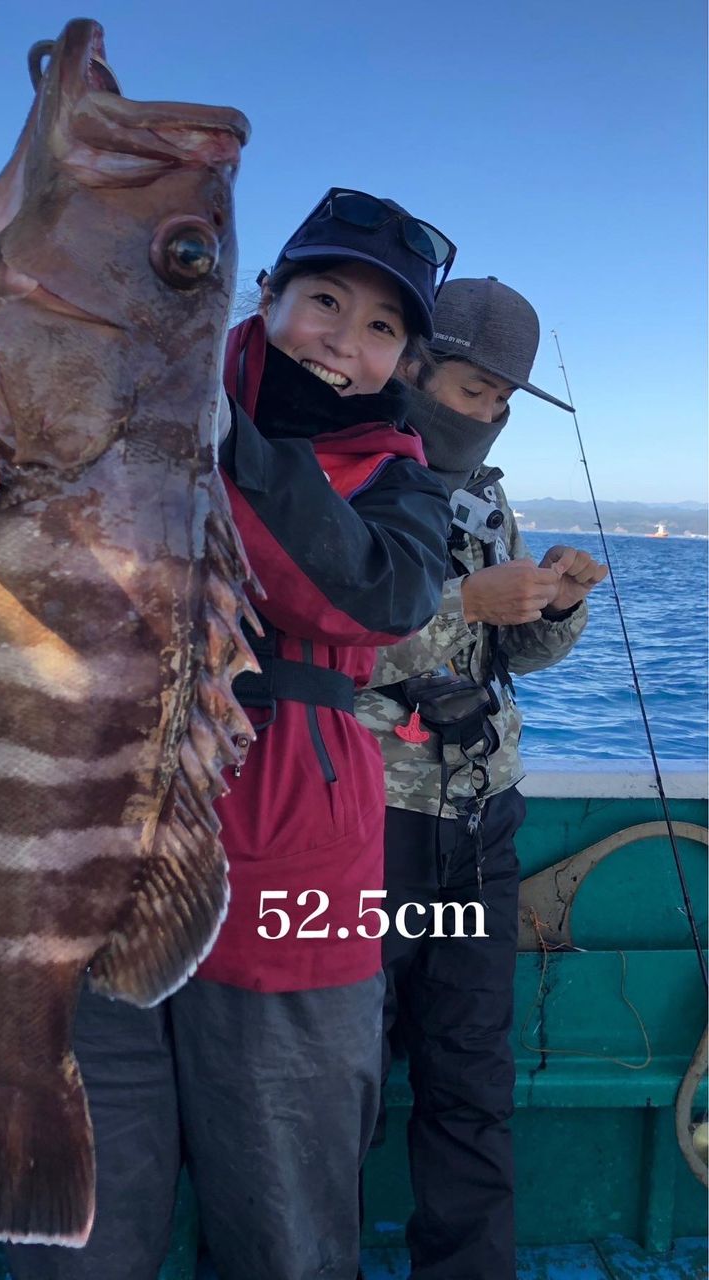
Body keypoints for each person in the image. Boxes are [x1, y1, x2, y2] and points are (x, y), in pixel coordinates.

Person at [6, 189, 454, 1280]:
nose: (346, 342)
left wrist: (226, 444)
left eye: (382, 326)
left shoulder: (406, 486)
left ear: (403, 360)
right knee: (81, 1213)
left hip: (296, 871)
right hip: (92, 835)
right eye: (324, 301)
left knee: (287, 1216)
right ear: (266, 296)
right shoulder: (136, 393)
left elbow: (369, 597)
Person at [356, 276, 608, 1280]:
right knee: (333, 1079)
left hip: (477, 822)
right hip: (358, 827)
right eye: (472, 389)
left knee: (471, 1073)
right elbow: (296, 645)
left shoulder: (485, 497)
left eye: (502, 400)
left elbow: (509, 657)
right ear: (413, 366)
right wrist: (466, 598)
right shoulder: (332, 473)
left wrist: (550, 607)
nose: (489, 413)